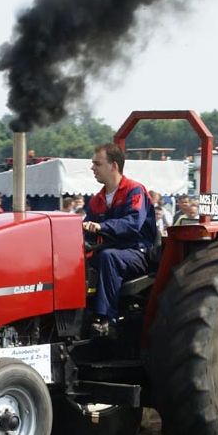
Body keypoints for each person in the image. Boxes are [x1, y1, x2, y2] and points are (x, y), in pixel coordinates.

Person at [83, 143, 157, 335]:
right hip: (111, 251)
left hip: (137, 252)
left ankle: (106, 319)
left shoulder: (135, 191)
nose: (92, 168)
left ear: (113, 166)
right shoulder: (97, 200)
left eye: (97, 164)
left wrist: (102, 226)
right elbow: (87, 231)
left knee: (109, 257)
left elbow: (133, 223)